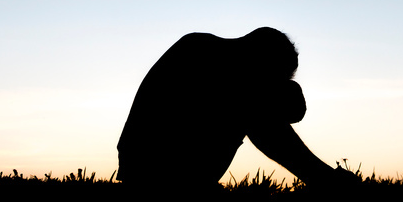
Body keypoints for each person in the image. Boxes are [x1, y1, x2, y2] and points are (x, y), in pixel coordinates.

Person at [116, 27, 355, 188]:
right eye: (277, 78)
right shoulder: (210, 58)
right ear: (264, 59)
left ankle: (325, 181)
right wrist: (325, 178)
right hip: (157, 173)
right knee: (258, 113)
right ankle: (328, 183)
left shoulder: (209, 52)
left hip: (153, 170)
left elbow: (276, 117)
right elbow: (268, 130)